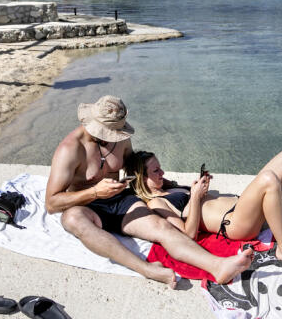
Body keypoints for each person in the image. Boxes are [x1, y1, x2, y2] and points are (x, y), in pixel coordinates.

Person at [46, 96, 253, 287]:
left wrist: (166, 183)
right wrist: (94, 193)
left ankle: (218, 266)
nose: (113, 137)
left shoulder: (119, 136)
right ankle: (145, 269)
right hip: (84, 206)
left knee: (162, 227)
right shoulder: (70, 150)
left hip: (118, 200)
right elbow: (52, 203)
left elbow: (134, 167)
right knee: (72, 220)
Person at [126, 150, 282, 272]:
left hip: (240, 206)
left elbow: (199, 204)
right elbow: (188, 234)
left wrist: (201, 189)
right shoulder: (156, 203)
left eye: (160, 168)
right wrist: (194, 196)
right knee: (268, 178)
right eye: (156, 171)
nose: (163, 173)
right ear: (142, 179)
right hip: (234, 223)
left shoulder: (169, 188)